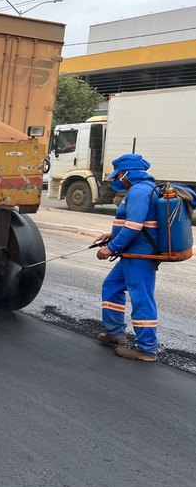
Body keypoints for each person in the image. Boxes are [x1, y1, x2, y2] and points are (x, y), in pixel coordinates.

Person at [95, 154, 160, 362]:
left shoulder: (140, 191)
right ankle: (115, 333)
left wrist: (110, 248)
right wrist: (112, 235)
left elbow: (134, 226)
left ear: (127, 173)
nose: (118, 179)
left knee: (142, 297)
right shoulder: (140, 189)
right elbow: (137, 224)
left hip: (139, 254)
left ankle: (147, 348)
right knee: (112, 286)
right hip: (131, 251)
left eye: (119, 175)